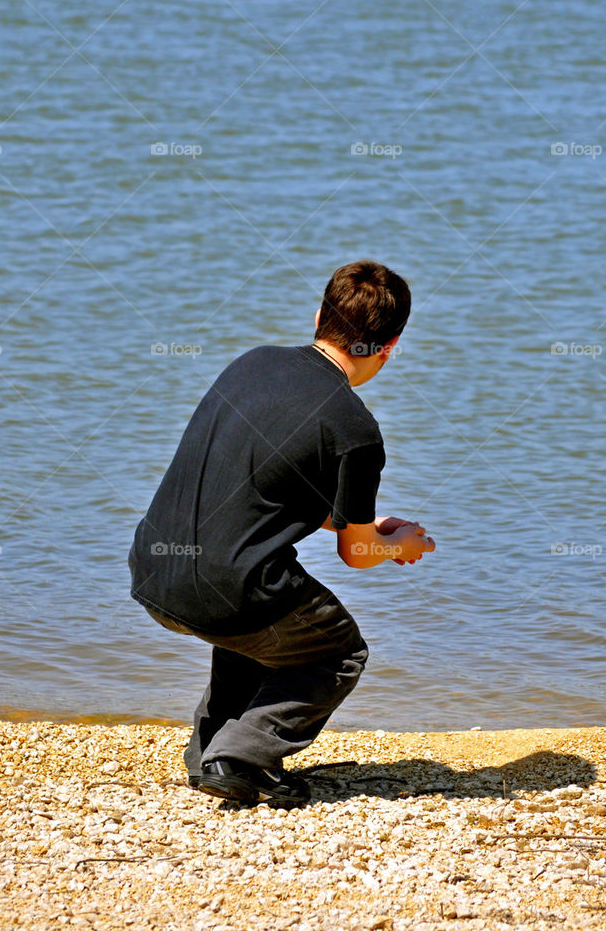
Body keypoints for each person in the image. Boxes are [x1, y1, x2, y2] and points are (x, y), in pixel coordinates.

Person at [128, 260, 435, 807]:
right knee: (338, 650)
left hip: (155, 571)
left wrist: (366, 520)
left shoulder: (252, 364)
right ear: (390, 346)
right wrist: (397, 545)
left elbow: (257, 489)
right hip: (227, 590)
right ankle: (242, 755)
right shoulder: (355, 429)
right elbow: (358, 553)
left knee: (264, 615)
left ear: (320, 316)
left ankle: (210, 754)